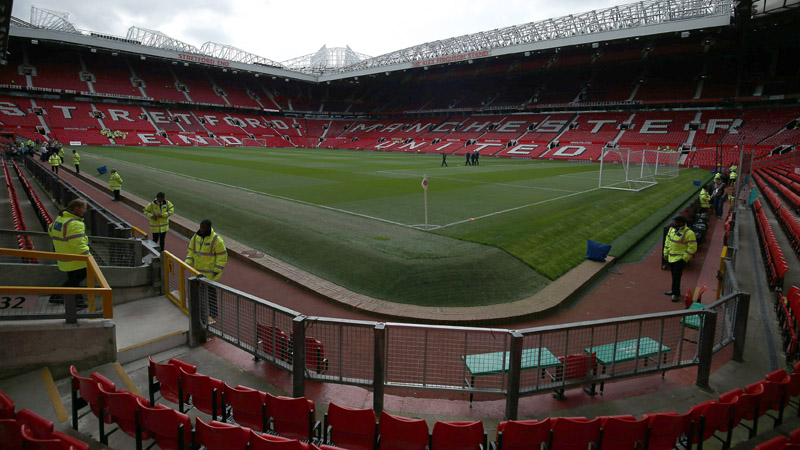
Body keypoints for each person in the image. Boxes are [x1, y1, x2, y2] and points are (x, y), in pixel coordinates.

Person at [48, 199, 90, 309]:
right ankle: (57, 295)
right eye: (84, 208)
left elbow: (50, 230)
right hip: (75, 259)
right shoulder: (75, 224)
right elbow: (78, 244)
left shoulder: (60, 219)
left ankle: (78, 302)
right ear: (76, 209)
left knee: (74, 280)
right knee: (77, 278)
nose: (85, 211)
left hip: (63, 256)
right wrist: (88, 257)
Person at [185, 219, 227, 319]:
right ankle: (199, 311)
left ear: (209, 228)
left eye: (204, 228)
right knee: (197, 293)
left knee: (211, 294)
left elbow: (222, 256)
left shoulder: (216, 239)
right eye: (201, 227)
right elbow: (191, 251)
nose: (202, 229)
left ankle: (213, 313)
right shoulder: (196, 237)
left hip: (210, 274)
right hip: (196, 272)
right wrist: (187, 263)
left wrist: (217, 269)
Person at [663, 216, 697, 302]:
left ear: (681, 223)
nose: (673, 223)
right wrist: (665, 253)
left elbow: (692, 248)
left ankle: (676, 294)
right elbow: (667, 241)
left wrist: (684, 258)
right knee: (674, 276)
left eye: (675, 222)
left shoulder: (689, 233)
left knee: (677, 276)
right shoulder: (672, 229)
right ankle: (674, 290)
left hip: (679, 259)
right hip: (671, 257)